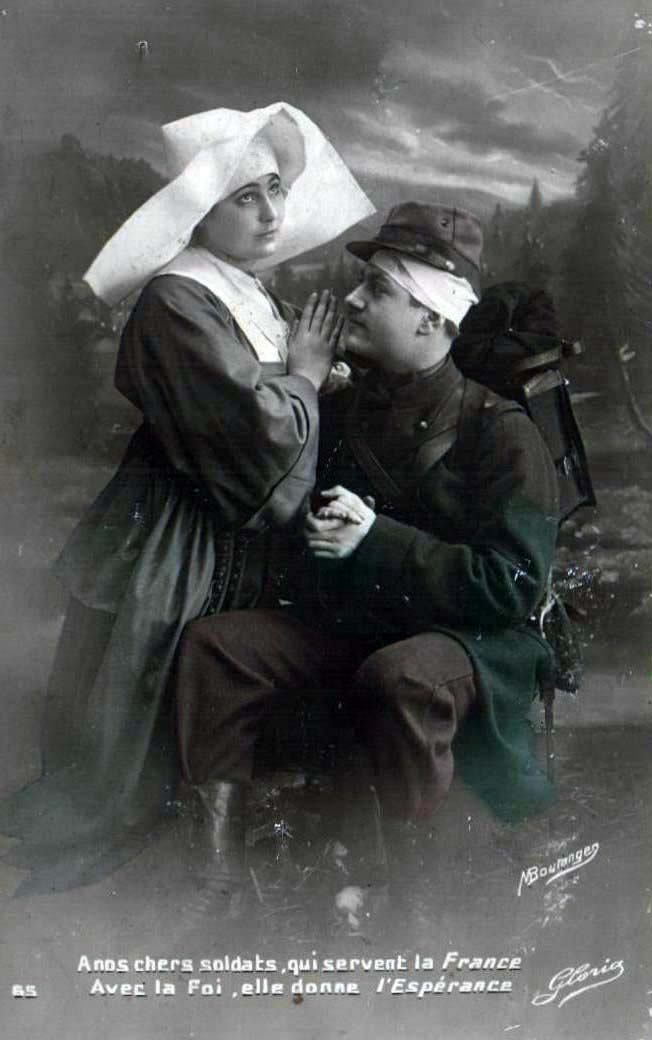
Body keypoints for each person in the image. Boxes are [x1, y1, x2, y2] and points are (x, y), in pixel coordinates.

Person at [0, 102, 373, 894]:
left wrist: (315, 375)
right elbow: (251, 429)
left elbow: (265, 392)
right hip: (178, 525)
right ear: (200, 211)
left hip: (232, 512)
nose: (271, 213)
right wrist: (306, 377)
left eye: (276, 190)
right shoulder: (175, 299)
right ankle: (144, 814)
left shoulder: (246, 288)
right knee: (144, 667)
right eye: (246, 197)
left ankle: (219, 800)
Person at [172, 203, 560, 915]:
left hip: (469, 641)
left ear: (430, 319)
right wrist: (318, 535)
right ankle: (216, 875)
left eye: (376, 289)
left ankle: (411, 891)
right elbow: (302, 529)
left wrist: (374, 539)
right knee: (216, 647)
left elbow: (511, 587)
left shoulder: (498, 431)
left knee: (399, 675)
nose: (351, 299)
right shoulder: (346, 410)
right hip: (361, 625)